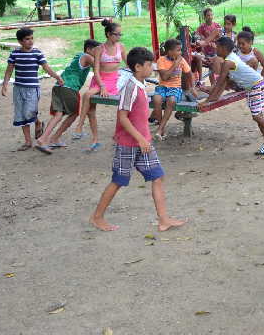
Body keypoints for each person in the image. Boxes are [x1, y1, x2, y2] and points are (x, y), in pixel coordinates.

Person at [89, 47, 186, 233]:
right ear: (138, 67)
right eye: (149, 65)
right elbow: (123, 116)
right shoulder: (131, 87)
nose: (152, 67)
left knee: (157, 176)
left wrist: (144, 139)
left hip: (144, 143)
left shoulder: (140, 85)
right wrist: (140, 139)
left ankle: (164, 219)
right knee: (118, 180)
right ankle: (97, 217)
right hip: (129, 144)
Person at [200, 37, 264, 156]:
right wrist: (213, 98)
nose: (215, 48)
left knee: (257, 117)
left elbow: (220, 82)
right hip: (258, 84)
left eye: (217, 46)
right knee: (258, 116)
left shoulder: (227, 62)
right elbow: (224, 82)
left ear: (224, 48)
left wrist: (208, 100)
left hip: (254, 86)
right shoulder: (230, 58)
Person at [1, 27, 63, 151]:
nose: (30, 41)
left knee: (29, 112)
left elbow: (46, 68)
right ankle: (28, 141)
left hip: (32, 89)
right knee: (21, 115)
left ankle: (38, 123)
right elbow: (9, 70)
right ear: (20, 41)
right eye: (27, 39)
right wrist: (5, 85)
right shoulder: (15, 54)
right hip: (18, 89)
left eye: (31, 38)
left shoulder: (37, 53)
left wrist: (57, 77)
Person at [35, 39, 101, 154]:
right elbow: (101, 66)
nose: (100, 54)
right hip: (70, 88)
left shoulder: (78, 56)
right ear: (89, 49)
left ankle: (43, 139)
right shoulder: (87, 57)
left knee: (58, 114)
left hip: (59, 86)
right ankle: (53, 138)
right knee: (74, 113)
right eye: (98, 51)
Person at [74, 19, 126, 152]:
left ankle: (81, 127)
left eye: (120, 34)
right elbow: (95, 70)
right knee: (90, 104)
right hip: (100, 79)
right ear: (109, 34)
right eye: (117, 34)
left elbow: (128, 63)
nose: (119, 37)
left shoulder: (121, 47)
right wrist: (102, 85)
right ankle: (90, 135)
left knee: (121, 106)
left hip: (114, 80)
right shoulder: (99, 49)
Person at [152, 38, 191, 140]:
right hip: (162, 86)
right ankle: (162, 129)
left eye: (180, 50)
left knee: (171, 100)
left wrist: (191, 87)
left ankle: (160, 129)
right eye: (178, 50)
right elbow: (164, 77)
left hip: (175, 87)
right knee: (156, 99)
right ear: (170, 52)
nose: (180, 52)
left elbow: (188, 73)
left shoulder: (182, 60)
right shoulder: (161, 60)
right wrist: (175, 64)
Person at [197, 7, 223, 85]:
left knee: (215, 68)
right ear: (204, 17)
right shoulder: (201, 27)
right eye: (208, 15)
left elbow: (221, 38)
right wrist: (205, 44)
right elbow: (200, 40)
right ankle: (213, 86)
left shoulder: (217, 26)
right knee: (211, 68)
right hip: (206, 51)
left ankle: (216, 86)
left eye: (211, 15)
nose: (210, 17)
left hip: (216, 51)